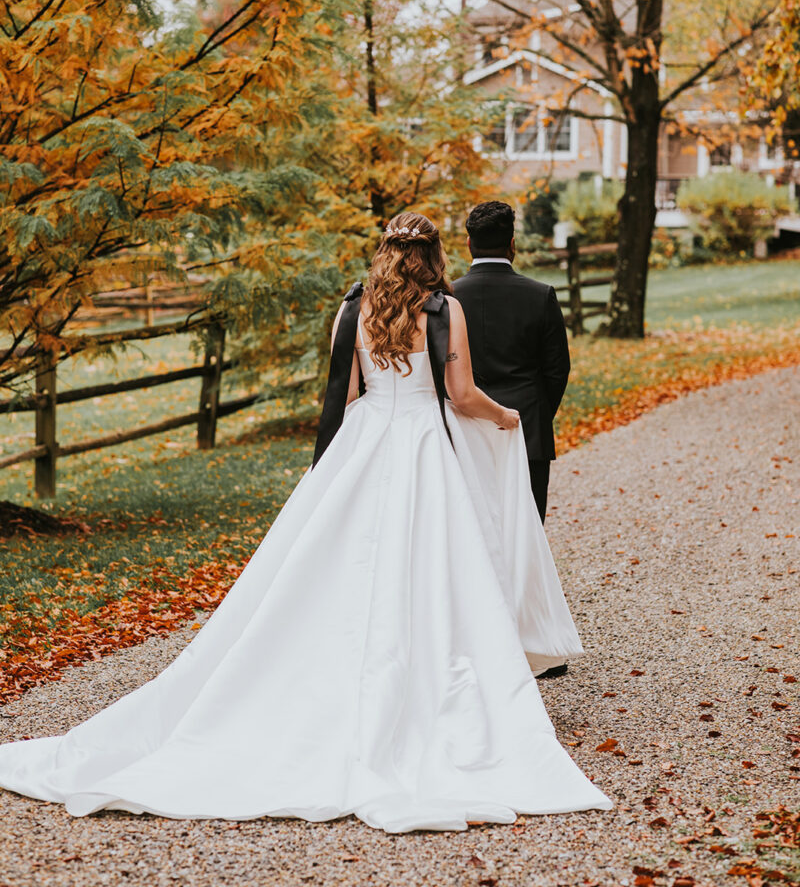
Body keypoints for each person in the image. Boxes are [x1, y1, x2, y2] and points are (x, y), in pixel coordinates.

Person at [0, 212, 610, 834]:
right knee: (434, 563)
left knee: (338, 564)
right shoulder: (443, 309)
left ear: (383, 253)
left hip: (367, 439)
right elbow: (460, 396)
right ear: (433, 254)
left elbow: (341, 397)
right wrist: (508, 417)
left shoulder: (353, 310)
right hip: (426, 443)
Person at [453, 201, 570, 527]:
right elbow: (557, 370)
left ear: (468, 244)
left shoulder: (447, 299)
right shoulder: (540, 295)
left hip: (465, 429)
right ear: (512, 244)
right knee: (527, 533)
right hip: (528, 431)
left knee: (473, 533)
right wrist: (536, 411)